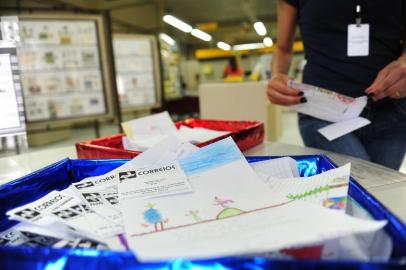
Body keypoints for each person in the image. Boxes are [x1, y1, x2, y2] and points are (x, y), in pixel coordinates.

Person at [267, 0, 406, 170]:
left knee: (382, 189)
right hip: (323, 110)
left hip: (391, 110)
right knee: (362, 185)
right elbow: (283, 48)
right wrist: (276, 76)